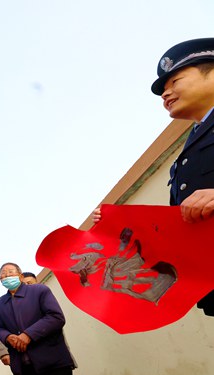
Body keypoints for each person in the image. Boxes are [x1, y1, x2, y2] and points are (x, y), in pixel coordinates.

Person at [93, 38, 214, 314]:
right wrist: (118, 227)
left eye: (175, 81)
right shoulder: (190, 147)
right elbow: (181, 228)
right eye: (163, 88)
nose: (165, 93)